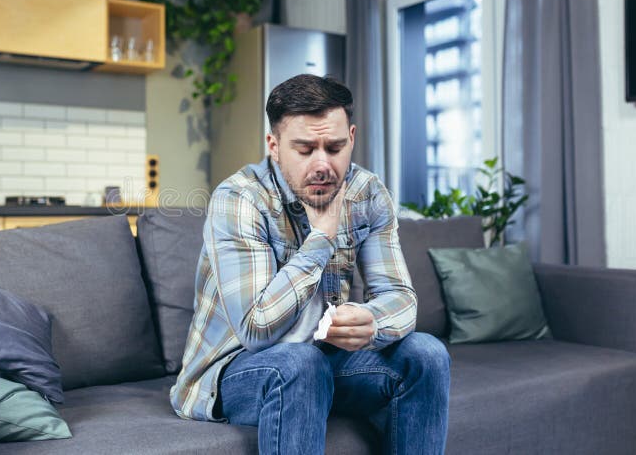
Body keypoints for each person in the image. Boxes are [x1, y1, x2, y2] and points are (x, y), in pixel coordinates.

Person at [170, 74, 451, 454]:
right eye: (305, 149)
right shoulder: (239, 199)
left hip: (323, 361)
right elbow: (256, 329)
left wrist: (374, 323)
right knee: (299, 364)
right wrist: (321, 238)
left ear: (351, 138)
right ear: (274, 145)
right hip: (234, 371)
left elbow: (400, 298)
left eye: (334, 148)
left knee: (427, 355)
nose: (323, 164)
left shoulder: (367, 192)